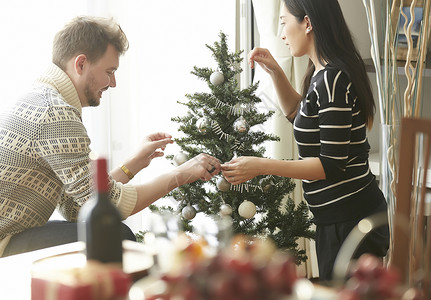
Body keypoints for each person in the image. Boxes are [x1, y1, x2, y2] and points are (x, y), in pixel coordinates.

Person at [0, 16, 221, 257]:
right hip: (5, 241)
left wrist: (133, 164)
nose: (113, 83)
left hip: (12, 234)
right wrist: (182, 173)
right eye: (110, 71)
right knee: (117, 236)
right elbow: (114, 204)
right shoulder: (55, 113)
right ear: (81, 64)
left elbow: (78, 206)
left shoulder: (44, 99)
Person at [221, 0, 389, 282]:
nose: (283, 34)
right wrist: (275, 71)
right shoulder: (322, 73)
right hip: (338, 218)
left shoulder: (332, 79)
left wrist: (261, 166)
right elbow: (301, 117)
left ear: (308, 23)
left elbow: (331, 165)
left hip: (351, 219)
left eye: (285, 22)